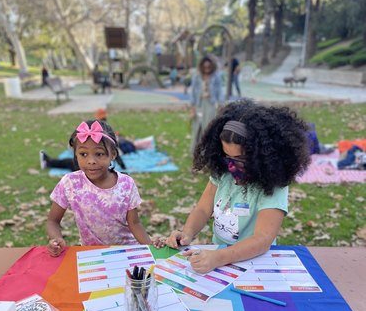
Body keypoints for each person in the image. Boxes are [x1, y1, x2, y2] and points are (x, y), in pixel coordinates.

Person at [165, 99, 311, 273]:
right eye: (227, 157)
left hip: (256, 263)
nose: (232, 165)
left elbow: (262, 239)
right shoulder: (224, 172)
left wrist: (218, 258)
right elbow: (203, 209)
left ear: (263, 157)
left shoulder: (273, 185)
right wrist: (187, 232)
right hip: (219, 257)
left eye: (240, 160)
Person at [46, 119, 151, 256]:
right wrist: (56, 239)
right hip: (91, 254)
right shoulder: (70, 183)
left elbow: (135, 224)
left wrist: (151, 248)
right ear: (76, 154)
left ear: (113, 154)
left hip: (127, 252)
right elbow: (52, 221)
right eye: (83, 154)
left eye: (99, 154)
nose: (91, 161)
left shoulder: (126, 184)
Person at [190, 55, 224, 153]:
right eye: (205, 67)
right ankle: (195, 150)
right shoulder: (196, 77)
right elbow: (193, 92)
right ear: (201, 66)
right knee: (197, 126)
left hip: (210, 104)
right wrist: (192, 107)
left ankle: (207, 151)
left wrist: (221, 105)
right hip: (199, 104)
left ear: (212, 66)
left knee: (208, 126)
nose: (206, 69)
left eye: (208, 67)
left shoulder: (216, 76)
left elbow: (219, 91)